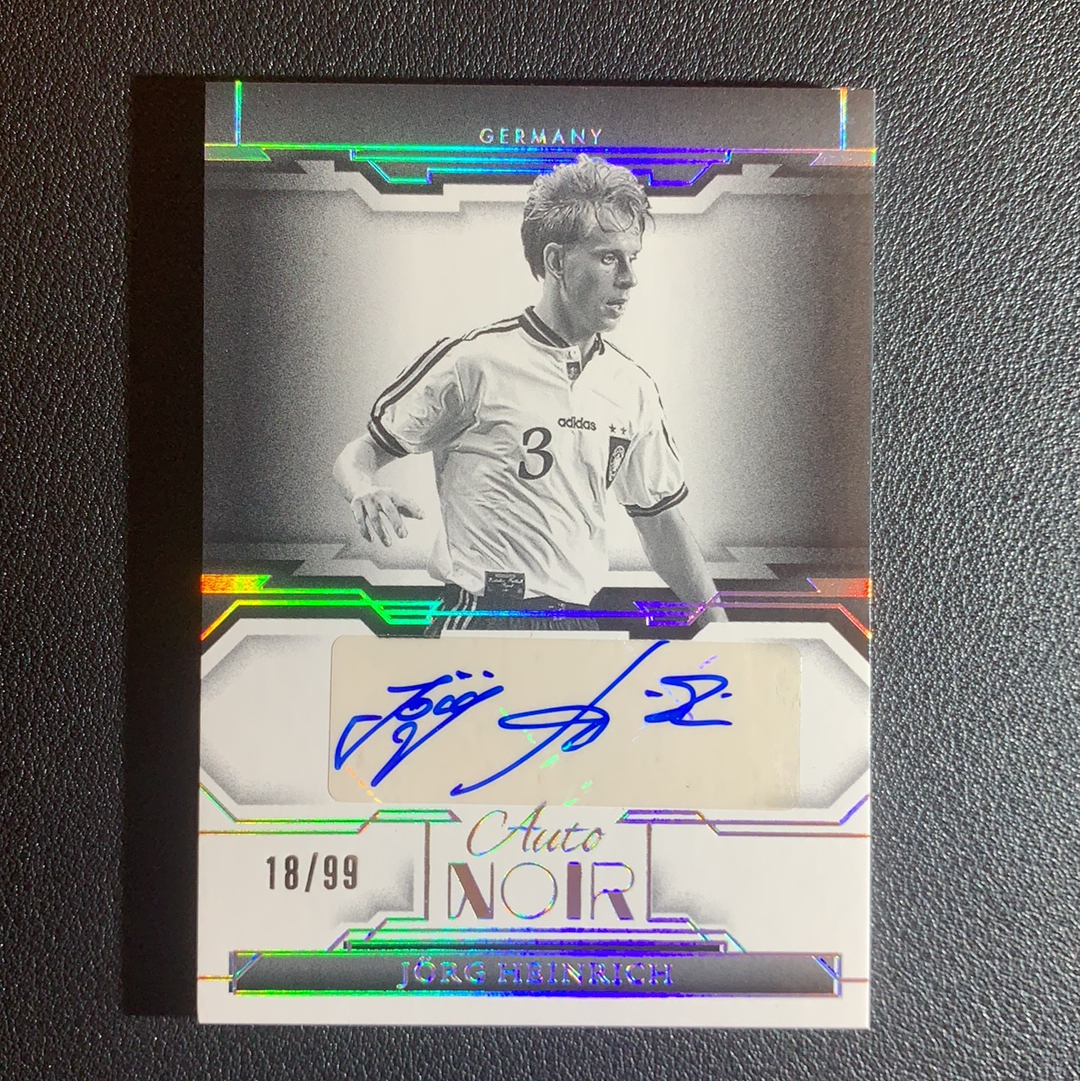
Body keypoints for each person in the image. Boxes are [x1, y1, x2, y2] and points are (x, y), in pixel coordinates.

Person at [334, 155, 722, 631]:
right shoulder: (474, 362)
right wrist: (364, 488)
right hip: (481, 617)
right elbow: (361, 452)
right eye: (608, 257)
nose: (628, 277)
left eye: (632, 258)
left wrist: (720, 626)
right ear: (556, 261)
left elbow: (660, 522)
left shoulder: (632, 387)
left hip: (576, 625)